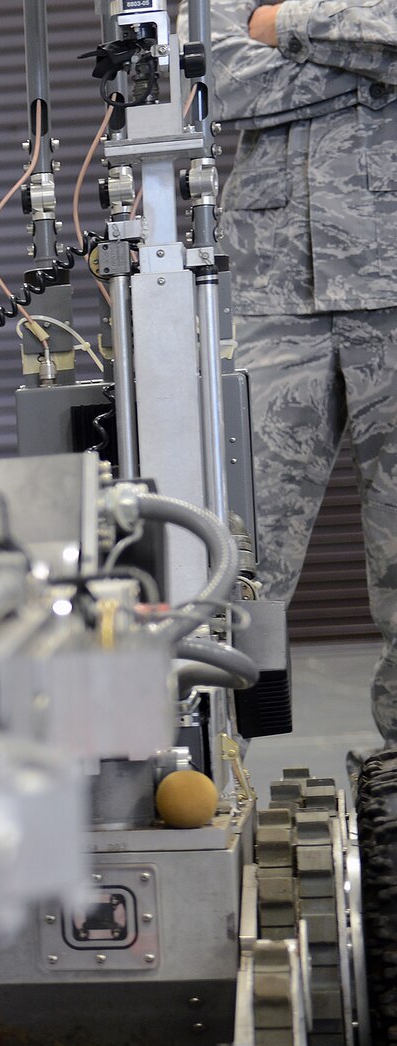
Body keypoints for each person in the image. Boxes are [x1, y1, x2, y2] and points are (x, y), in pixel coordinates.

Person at [213, 1, 397, 744]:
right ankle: (213, 784)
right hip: (270, 294)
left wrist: (283, 22)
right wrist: (369, 73)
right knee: (234, 558)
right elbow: (215, 84)